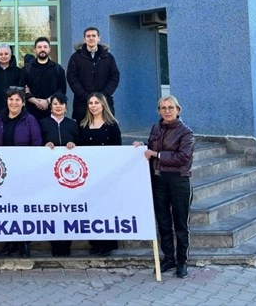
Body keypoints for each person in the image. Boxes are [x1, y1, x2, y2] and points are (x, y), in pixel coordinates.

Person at [133, 95, 194, 278]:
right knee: (163, 222)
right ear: (159, 111)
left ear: (178, 109)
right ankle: (169, 258)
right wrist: (142, 146)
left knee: (180, 224)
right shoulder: (156, 128)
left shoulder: (186, 132)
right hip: (159, 180)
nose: (167, 111)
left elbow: (183, 157)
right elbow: (152, 148)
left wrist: (157, 154)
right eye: (163, 108)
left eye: (170, 107)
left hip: (178, 180)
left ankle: (182, 262)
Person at [0, 86, 42, 257]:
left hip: (24, 171)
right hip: (3, 173)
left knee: (23, 207)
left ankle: (24, 242)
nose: (14, 103)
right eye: (11, 99)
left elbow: (37, 143)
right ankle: (10, 242)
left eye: (17, 100)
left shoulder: (30, 120)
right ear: (7, 101)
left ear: (23, 102)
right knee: (7, 208)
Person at [78, 92, 122, 257]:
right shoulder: (83, 125)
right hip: (88, 176)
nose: (93, 106)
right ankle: (95, 243)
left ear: (103, 105)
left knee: (106, 208)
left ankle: (107, 244)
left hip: (106, 175)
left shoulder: (112, 125)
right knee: (92, 209)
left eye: (96, 102)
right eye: (91, 103)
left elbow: (117, 150)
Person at [40, 92, 78, 257]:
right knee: (52, 210)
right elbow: (37, 144)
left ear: (66, 107)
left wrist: (73, 145)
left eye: (61, 104)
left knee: (68, 209)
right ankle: (55, 245)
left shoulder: (72, 124)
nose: (58, 106)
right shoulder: (43, 123)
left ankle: (67, 245)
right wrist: (45, 145)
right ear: (50, 107)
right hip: (49, 174)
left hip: (69, 177)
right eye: (55, 103)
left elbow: (81, 144)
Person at [66, 26, 120, 125]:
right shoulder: (76, 57)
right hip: (82, 104)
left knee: (107, 132)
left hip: (104, 103)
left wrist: (102, 96)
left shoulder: (108, 57)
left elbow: (114, 77)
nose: (91, 38)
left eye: (94, 36)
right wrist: (85, 96)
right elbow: (72, 78)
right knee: (83, 133)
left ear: (98, 38)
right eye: (88, 36)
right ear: (84, 39)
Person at [19, 37, 67, 122]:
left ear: (49, 49)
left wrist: (47, 101)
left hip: (52, 113)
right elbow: (21, 89)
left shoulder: (58, 69)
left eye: (45, 47)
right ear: (35, 49)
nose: (42, 49)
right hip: (31, 114)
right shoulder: (26, 69)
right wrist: (36, 102)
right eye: (39, 47)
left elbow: (62, 90)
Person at [0, 44, 21, 119]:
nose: (3, 56)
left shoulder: (18, 71)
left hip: (13, 109)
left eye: (6, 54)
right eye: (1, 54)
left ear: (10, 55)